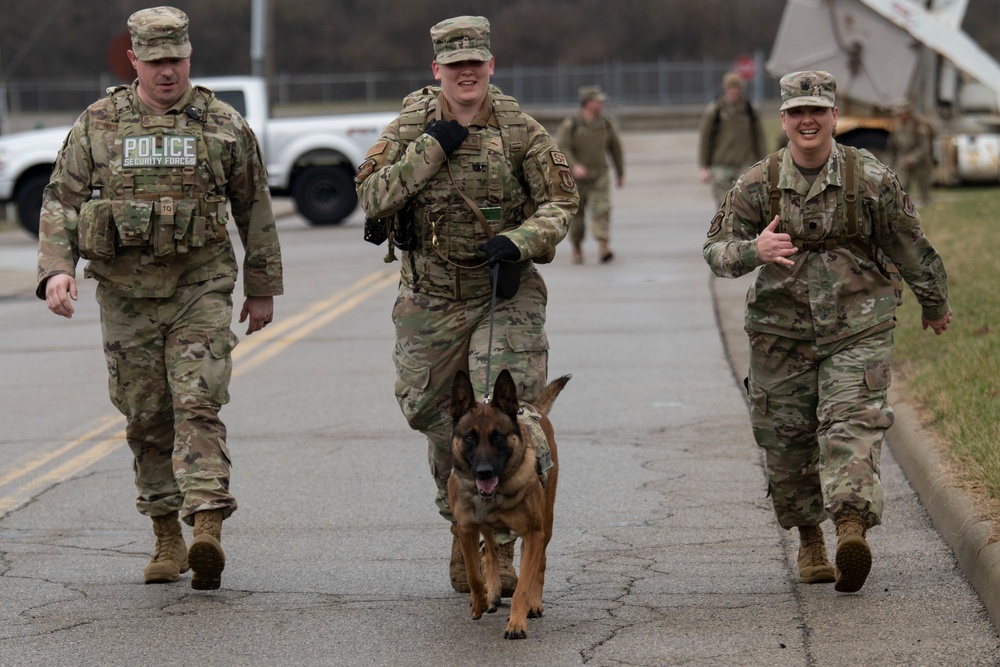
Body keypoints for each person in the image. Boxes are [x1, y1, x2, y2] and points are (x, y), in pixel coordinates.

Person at [37, 6, 283, 591]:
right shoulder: (98, 123)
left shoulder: (222, 124)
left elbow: (254, 207)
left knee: (198, 401)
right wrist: (56, 270)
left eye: (176, 59)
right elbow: (61, 200)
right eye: (155, 61)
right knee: (146, 417)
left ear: (189, 57)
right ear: (134, 60)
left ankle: (207, 525)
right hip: (125, 296)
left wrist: (262, 287)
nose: (167, 71)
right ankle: (167, 534)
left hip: (200, 285)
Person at [703, 71, 951, 593]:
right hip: (780, 334)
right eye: (797, 112)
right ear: (784, 120)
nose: (808, 121)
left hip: (858, 326)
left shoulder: (871, 178)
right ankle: (810, 538)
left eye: (817, 110)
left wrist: (934, 303)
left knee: (851, 425)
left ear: (835, 116)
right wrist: (754, 250)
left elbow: (909, 243)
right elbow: (716, 252)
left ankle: (851, 529)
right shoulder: (758, 183)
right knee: (787, 445)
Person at [355, 16, 577, 596]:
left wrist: (520, 241)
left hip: (504, 293)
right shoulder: (412, 126)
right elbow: (371, 196)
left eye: (475, 63)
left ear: (490, 66)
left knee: (508, 413)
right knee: (435, 418)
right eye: (455, 65)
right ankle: (464, 527)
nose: (467, 73)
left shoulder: (520, 130)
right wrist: (431, 148)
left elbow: (561, 202)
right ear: (438, 70)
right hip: (430, 296)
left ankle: (499, 550)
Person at [554, 85, 624, 264]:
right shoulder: (572, 123)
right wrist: (574, 166)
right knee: (576, 216)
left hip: (599, 175)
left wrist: (620, 172)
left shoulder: (605, 123)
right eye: (597, 101)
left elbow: (615, 148)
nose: (601, 104)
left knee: (602, 210)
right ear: (587, 103)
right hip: (576, 179)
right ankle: (577, 248)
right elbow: (562, 147)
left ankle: (603, 246)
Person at [698, 71, 766, 209]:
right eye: (730, 88)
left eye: (736, 87)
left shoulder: (750, 111)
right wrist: (703, 167)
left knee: (743, 205)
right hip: (721, 165)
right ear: (725, 89)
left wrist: (763, 164)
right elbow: (705, 139)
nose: (733, 91)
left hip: (744, 165)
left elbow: (759, 138)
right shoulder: (715, 111)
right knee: (724, 205)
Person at [886, 99, 935, 206]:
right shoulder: (897, 126)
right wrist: (891, 164)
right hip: (904, 158)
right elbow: (892, 146)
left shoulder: (918, 125)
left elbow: (924, 147)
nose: (899, 116)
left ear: (907, 112)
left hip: (921, 160)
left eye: (901, 113)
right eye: (897, 114)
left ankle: (926, 202)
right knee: (901, 183)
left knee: (924, 185)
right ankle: (902, 204)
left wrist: (911, 158)